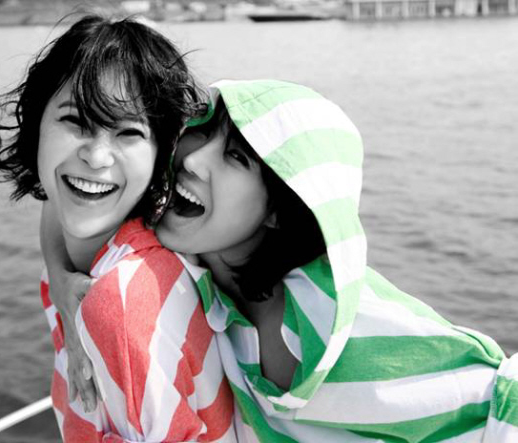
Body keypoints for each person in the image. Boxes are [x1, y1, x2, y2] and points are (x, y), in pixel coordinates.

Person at [45, 79, 518, 442]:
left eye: (235, 157)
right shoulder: (198, 238)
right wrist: (61, 279)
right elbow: (62, 199)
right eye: (203, 132)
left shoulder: (331, 326)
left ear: (277, 209)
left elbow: (498, 397)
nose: (193, 160)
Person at [0, 15, 235, 442]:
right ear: (37, 123)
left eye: (128, 132)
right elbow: (54, 205)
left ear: (162, 153)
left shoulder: (120, 305)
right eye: (76, 121)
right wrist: (61, 282)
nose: (97, 157)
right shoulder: (101, 240)